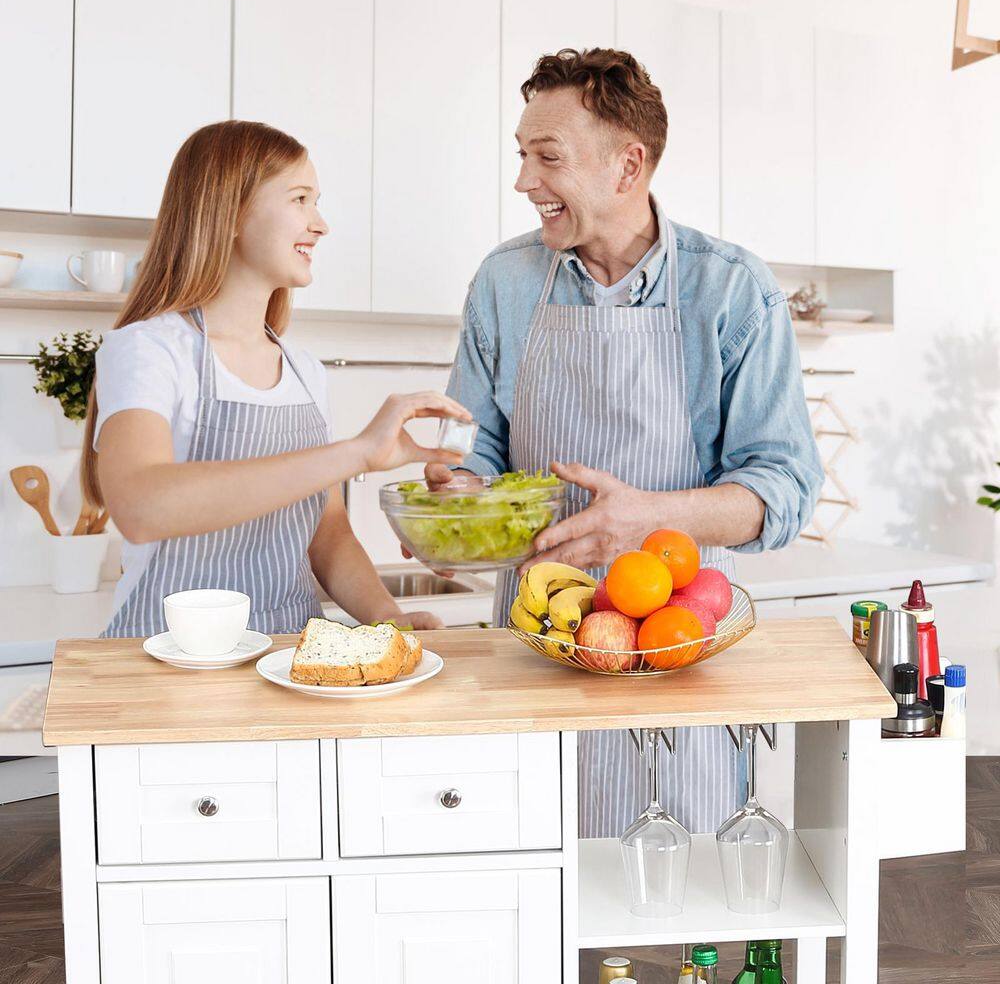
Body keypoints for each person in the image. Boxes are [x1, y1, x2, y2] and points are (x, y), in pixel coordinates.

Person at [429, 49, 824, 837]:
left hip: (682, 648)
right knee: (530, 880)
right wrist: (459, 502)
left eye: (548, 158)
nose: (524, 182)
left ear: (627, 164)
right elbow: (476, 450)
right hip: (536, 646)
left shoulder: (732, 289)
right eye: (522, 156)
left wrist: (647, 520)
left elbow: (783, 488)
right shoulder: (504, 282)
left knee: (685, 890)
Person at [83, 120, 470, 639]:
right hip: (169, 665)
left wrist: (389, 621)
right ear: (232, 211)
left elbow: (326, 534)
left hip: (290, 662)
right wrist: (357, 452)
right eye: (300, 199)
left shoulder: (305, 372)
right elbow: (141, 506)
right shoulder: (150, 349)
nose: (321, 224)